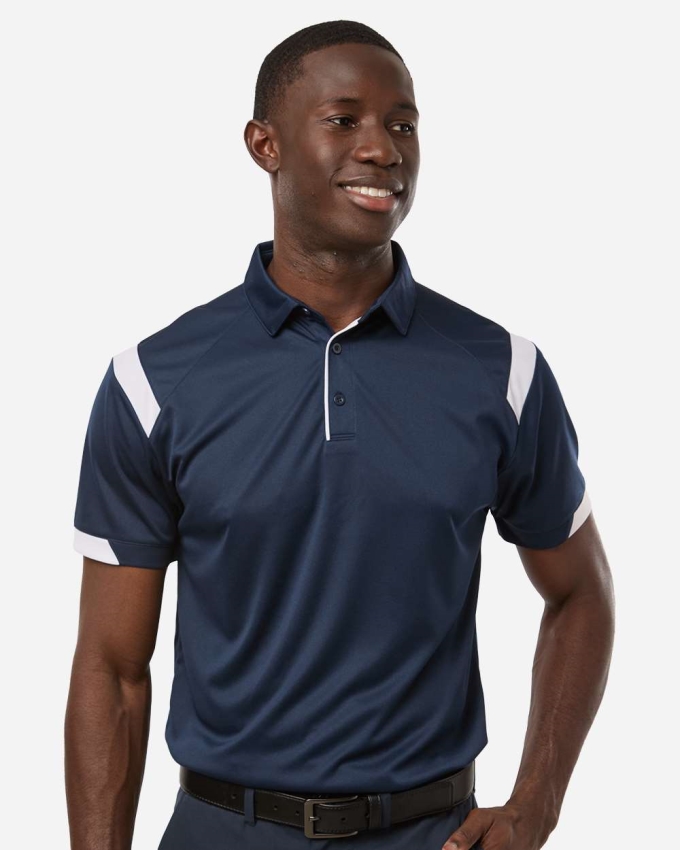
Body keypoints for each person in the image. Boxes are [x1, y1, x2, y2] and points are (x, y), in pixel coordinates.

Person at [64, 19, 615, 850]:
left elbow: (581, 593)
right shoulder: (154, 381)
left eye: (403, 124)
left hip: (431, 833)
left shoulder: (502, 371)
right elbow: (111, 669)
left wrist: (537, 804)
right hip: (223, 832)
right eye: (344, 119)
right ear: (265, 145)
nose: (383, 149)